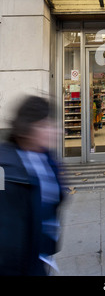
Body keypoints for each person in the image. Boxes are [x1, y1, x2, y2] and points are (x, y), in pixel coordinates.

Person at [0, 95, 65, 275]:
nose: (56, 130)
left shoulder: (48, 158)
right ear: (27, 128)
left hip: (40, 252)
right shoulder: (5, 170)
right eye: (45, 125)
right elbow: (8, 239)